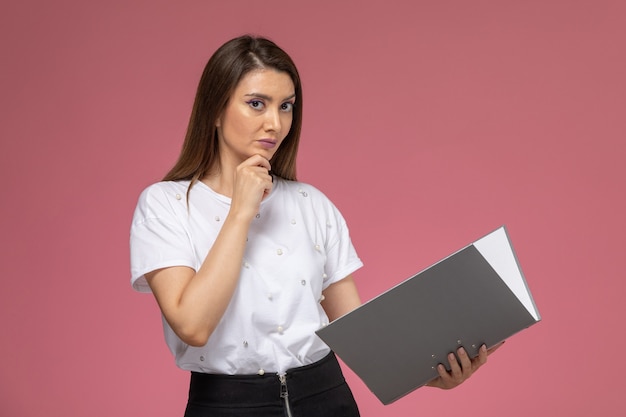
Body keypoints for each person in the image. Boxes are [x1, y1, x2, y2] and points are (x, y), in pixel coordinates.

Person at [130, 35, 493, 417]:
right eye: (256, 104)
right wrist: (240, 211)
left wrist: (426, 371)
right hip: (225, 405)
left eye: (286, 106)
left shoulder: (311, 204)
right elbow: (193, 326)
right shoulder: (166, 204)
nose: (275, 123)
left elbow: (357, 334)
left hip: (327, 399)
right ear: (215, 110)